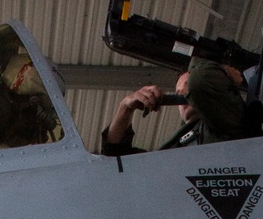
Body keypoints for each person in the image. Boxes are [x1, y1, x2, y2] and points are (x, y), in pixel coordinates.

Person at [101, 57, 248, 155]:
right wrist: (125, 108)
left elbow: (201, 79)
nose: (182, 94)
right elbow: (114, 156)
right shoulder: (177, 146)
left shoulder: (226, 119)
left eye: (187, 87)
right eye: (178, 92)